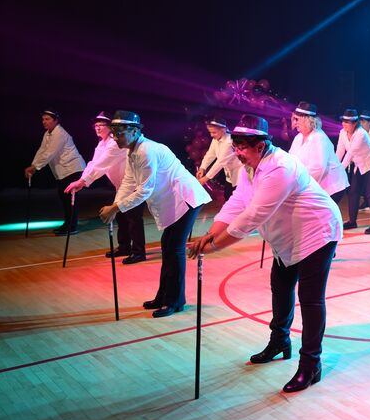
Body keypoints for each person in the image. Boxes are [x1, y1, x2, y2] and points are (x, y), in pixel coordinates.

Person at [190, 115, 342, 393]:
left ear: (260, 146)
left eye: (242, 147)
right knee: (281, 287)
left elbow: (251, 217)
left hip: (317, 232)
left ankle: (311, 365)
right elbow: (238, 202)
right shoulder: (250, 167)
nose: (237, 153)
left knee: (310, 299)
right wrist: (211, 234)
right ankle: (280, 341)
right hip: (289, 236)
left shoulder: (279, 168)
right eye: (235, 146)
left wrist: (214, 247)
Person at [98, 111, 211, 317]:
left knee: (174, 248)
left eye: (119, 133)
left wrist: (116, 208)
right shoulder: (133, 151)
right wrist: (115, 205)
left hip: (186, 199)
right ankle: (163, 297)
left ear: (134, 131)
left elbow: (144, 190)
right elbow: (128, 182)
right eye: (114, 133)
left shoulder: (146, 151)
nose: (115, 137)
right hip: (174, 201)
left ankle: (175, 301)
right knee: (168, 246)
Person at [64, 111, 147, 264]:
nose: (97, 128)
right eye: (95, 125)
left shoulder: (114, 144)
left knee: (133, 218)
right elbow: (94, 163)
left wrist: (82, 182)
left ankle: (138, 252)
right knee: (122, 216)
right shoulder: (101, 144)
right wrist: (82, 180)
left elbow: (101, 165)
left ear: (110, 127)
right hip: (121, 186)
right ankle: (124, 247)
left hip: (133, 185)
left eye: (101, 125)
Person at [24, 109, 85, 236]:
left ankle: (72, 226)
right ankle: (68, 224)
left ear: (56, 120)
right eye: (43, 119)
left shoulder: (59, 133)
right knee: (64, 197)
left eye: (47, 119)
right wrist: (33, 165)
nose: (44, 122)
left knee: (69, 198)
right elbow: (42, 150)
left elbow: (49, 153)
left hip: (72, 169)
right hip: (64, 170)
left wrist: (35, 167)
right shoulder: (48, 133)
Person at [288, 101, 349, 203]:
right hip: (313, 185)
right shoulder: (298, 138)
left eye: (297, 119)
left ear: (308, 120)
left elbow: (318, 169)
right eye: (293, 119)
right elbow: (291, 160)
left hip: (332, 187)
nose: (294, 124)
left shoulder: (319, 138)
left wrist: (298, 186)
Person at [337, 108, 370, 235]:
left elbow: (350, 153)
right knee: (353, 192)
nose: (344, 124)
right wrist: (335, 168)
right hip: (360, 165)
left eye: (347, 122)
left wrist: (340, 171)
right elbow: (340, 151)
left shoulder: (361, 134)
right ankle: (352, 221)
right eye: (343, 121)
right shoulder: (342, 133)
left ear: (354, 123)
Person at [196, 117, 242, 201]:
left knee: (237, 199)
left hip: (240, 174)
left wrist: (205, 179)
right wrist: (203, 167)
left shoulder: (229, 141)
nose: (211, 135)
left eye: (214, 132)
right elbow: (210, 154)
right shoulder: (216, 139)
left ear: (223, 130)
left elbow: (220, 162)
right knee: (228, 196)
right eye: (210, 132)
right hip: (230, 175)